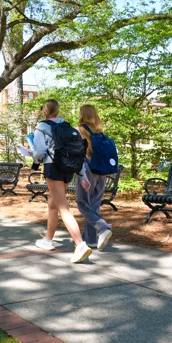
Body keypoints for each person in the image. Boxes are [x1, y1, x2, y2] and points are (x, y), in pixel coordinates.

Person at [32, 99, 93, 264]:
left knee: (63, 208)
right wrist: (82, 175)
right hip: (69, 170)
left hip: (53, 168)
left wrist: (32, 156)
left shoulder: (42, 127)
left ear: (45, 111)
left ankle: (80, 244)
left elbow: (39, 152)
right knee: (53, 204)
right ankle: (47, 240)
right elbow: (76, 153)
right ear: (57, 111)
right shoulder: (69, 128)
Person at [76, 104, 114, 251]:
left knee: (82, 203)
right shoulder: (101, 133)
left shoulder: (79, 130)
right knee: (94, 205)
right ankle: (90, 240)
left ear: (82, 114)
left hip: (87, 169)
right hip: (102, 171)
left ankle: (103, 228)